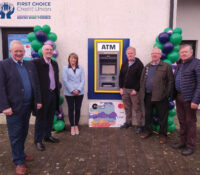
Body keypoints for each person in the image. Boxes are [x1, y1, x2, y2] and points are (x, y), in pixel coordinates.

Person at [0, 40, 42, 175]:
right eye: (16, 51)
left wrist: (38, 100)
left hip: (27, 106)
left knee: (23, 132)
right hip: (13, 108)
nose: (19, 53)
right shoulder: (3, 65)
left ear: (24, 52)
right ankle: (18, 161)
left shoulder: (29, 65)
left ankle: (20, 154)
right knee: (15, 135)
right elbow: (1, 87)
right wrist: (4, 106)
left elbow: (36, 84)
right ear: (10, 51)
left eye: (21, 51)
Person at [140, 47, 174, 144]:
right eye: (153, 53)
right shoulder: (147, 66)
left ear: (160, 55)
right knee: (148, 115)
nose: (154, 55)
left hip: (161, 97)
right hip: (148, 96)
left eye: (156, 53)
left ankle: (162, 135)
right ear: (151, 55)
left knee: (163, 116)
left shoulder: (166, 66)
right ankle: (147, 131)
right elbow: (142, 80)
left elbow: (170, 82)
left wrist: (166, 94)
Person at [172, 44, 200, 156]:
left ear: (191, 52)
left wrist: (196, 100)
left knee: (190, 122)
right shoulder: (180, 64)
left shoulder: (197, 63)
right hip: (179, 96)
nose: (183, 54)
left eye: (185, 52)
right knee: (182, 120)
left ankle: (190, 145)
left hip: (190, 98)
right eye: (181, 52)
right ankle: (182, 142)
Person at [33, 44, 60, 151]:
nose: (49, 51)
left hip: (53, 94)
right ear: (42, 51)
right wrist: (37, 98)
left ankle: (47, 136)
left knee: (50, 117)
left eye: (50, 49)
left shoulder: (54, 63)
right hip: (43, 96)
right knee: (40, 118)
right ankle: (38, 140)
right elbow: (34, 82)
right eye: (47, 49)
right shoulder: (36, 63)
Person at [119, 46, 144, 133]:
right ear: (126, 54)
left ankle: (140, 125)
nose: (130, 55)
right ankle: (128, 122)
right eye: (128, 53)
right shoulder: (125, 63)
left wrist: (136, 89)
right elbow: (121, 76)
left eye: (131, 53)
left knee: (137, 108)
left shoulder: (139, 64)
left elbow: (141, 78)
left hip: (134, 90)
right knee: (127, 107)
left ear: (135, 54)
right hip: (125, 90)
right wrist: (121, 87)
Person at [63, 53, 85, 135]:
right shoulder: (65, 68)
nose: (73, 60)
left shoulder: (81, 68)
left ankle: (76, 125)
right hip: (69, 93)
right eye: (72, 58)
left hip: (80, 92)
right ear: (69, 59)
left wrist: (78, 90)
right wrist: (72, 90)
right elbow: (65, 80)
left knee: (78, 109)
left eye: (75, 58)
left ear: (77, 60)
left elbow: (83, 80)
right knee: (71, 109)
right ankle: (72, 126)